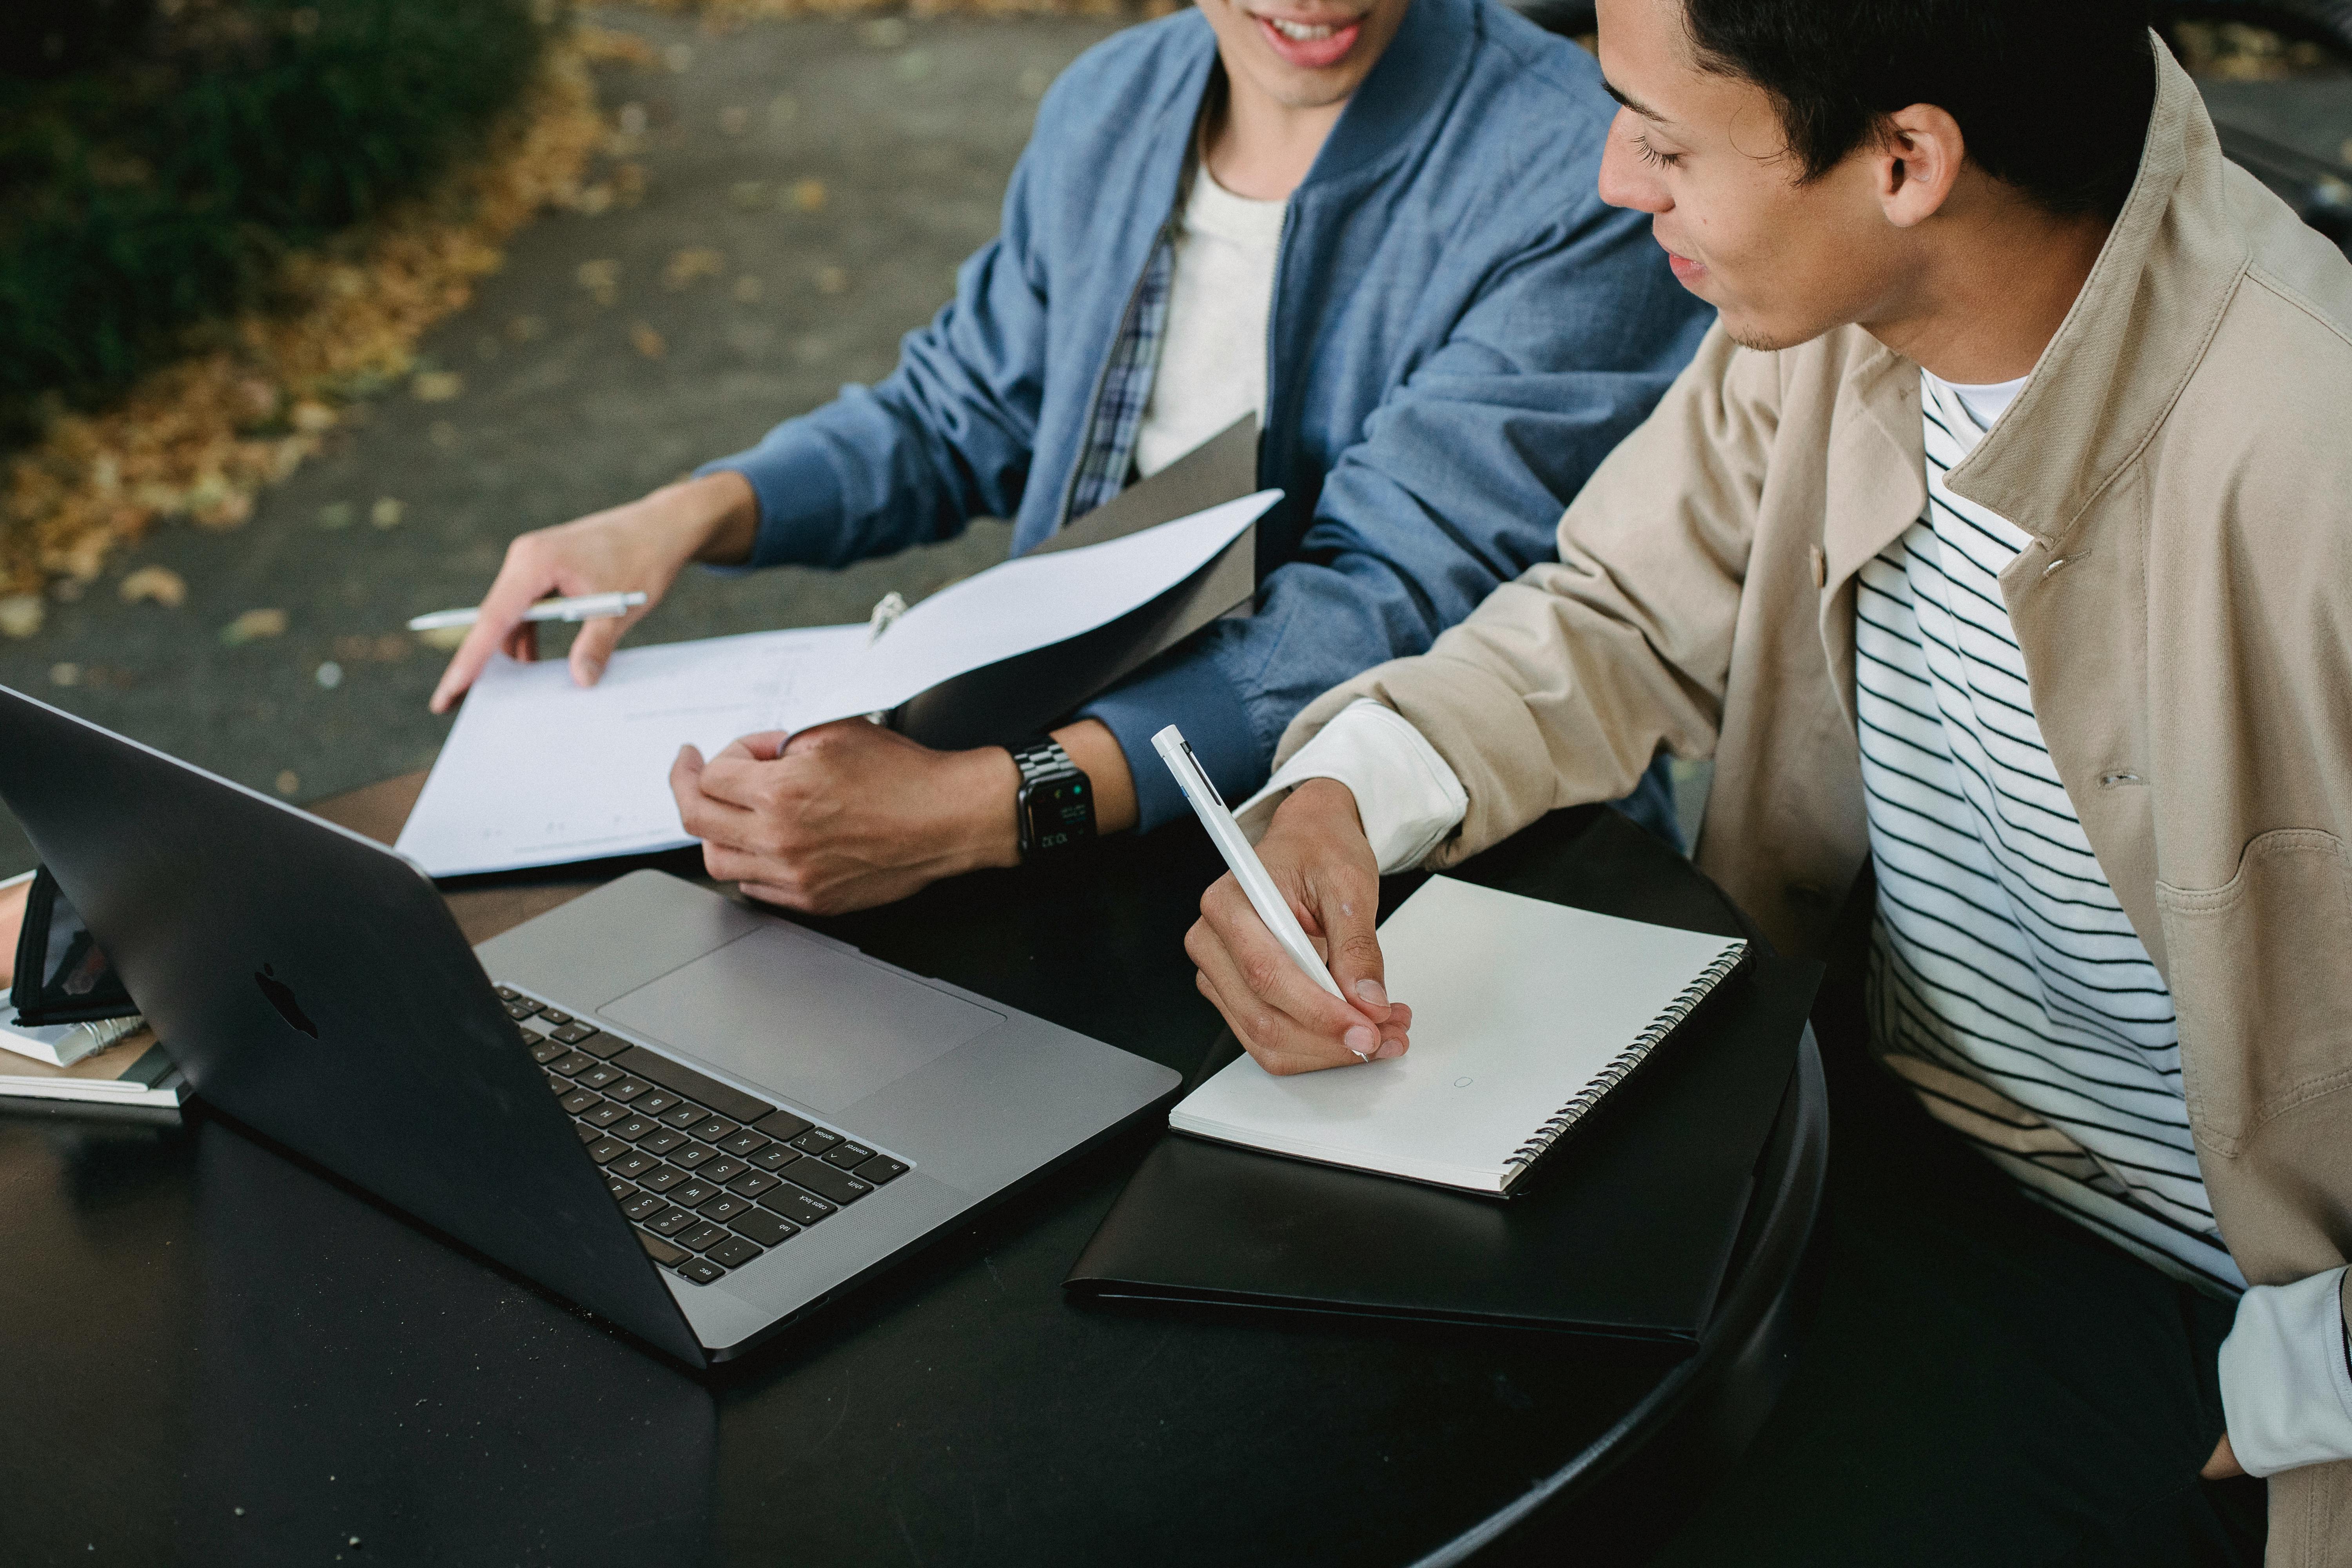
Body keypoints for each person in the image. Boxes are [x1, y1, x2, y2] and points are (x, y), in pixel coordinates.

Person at [1181, 0, 2352, 1562]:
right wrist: (1340, 793)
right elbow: (1613, 612)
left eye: (1667, 141)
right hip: (1853, 1149)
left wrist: (2305, 1383)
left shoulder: (2311, 448)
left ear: (1907, 161)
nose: (1614, 179)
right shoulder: (1841, 320)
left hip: (2203, 1302)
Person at [426, 0, 1713, 914]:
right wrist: (686, 515)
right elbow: (960, 411)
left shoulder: (1574, 172)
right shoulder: (1113, 103)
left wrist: (981, 806)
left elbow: (1394, 597)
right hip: (1044, 791)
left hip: (1401, 858)